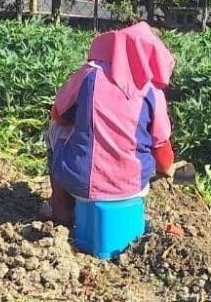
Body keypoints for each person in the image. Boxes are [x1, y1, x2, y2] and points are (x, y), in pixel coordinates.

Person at [46, 22, 178, 226]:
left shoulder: (89, 74)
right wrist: (167, 168)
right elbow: (160, 143)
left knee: (55, 129)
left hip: (80, 184)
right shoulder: (153, 91)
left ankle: (61, 210)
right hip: (133, 187)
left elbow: (58, 114)